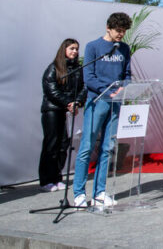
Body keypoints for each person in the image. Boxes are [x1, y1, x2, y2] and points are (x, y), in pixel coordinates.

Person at [72, 12, 132, 209]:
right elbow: (88, 77)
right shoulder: (93, 47)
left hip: (116, 103)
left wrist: (124, 88)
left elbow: (127, 74)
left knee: (108, 147)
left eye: (123, 31)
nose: (121, 35)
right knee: (87, 147)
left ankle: (100, 192)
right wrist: (107, 90)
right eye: (118, 30)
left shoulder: (124, 48)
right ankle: (79, 193)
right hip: (97, 101)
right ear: (108, 27)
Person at [39, 38, 86, 191]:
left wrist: (77, 102)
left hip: (66, 110)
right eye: (72, 48)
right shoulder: (54, 68)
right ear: (64, 50)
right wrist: (68, 102)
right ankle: (46, 180)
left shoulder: (78, 69)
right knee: (51, 144)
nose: (75, 51)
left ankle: (57, 177)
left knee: (63, 145)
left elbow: (83, 88)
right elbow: (51, 90)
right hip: (52, 110)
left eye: (76, 49)